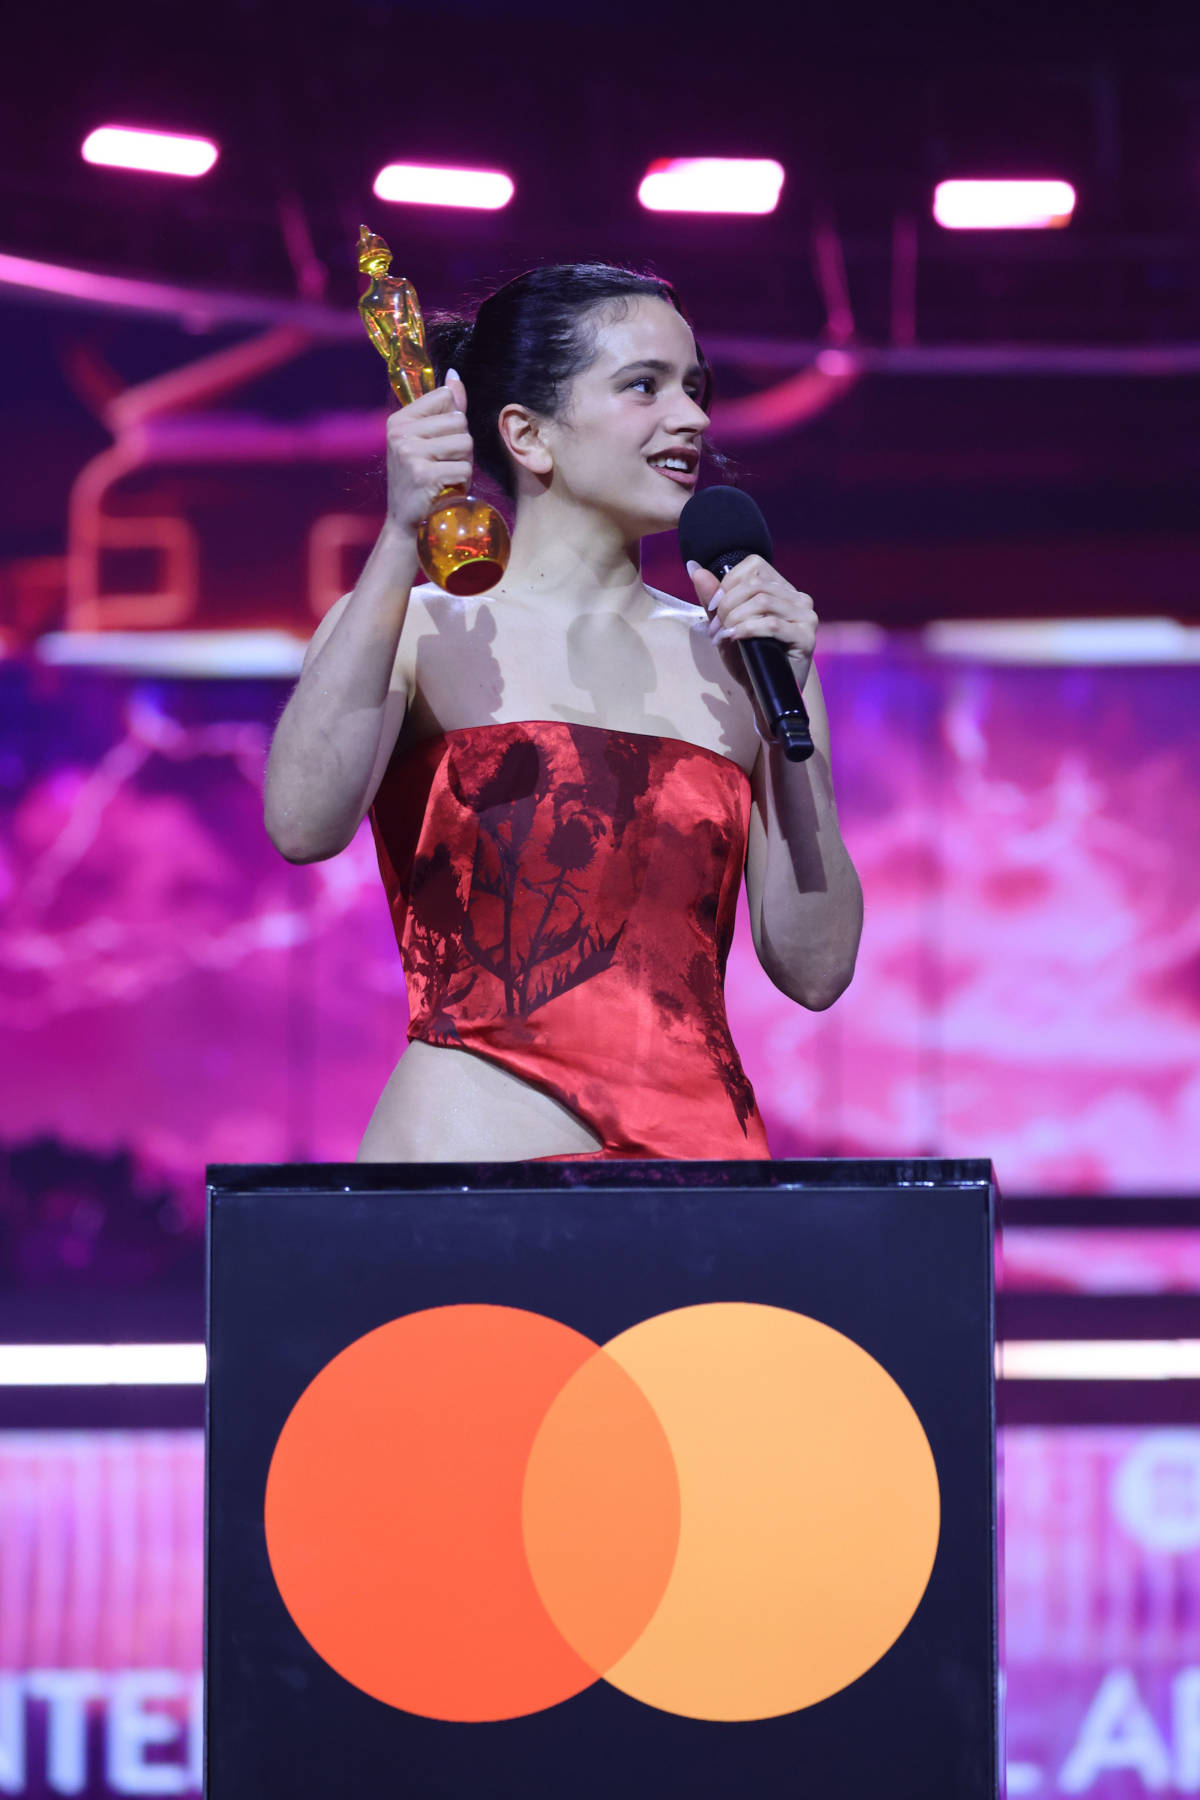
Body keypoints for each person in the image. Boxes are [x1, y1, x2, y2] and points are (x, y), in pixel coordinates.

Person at [263, 264, 863, 1162]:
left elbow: (816, 971)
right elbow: (303, 824)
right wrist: (399, 538)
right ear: (527, 434)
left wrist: (792, 706)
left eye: (695, 388)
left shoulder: (742, 659)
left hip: (700, 1182)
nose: (693, 418)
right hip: (469, 1166)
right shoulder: (422, 627)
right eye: (644, 386)